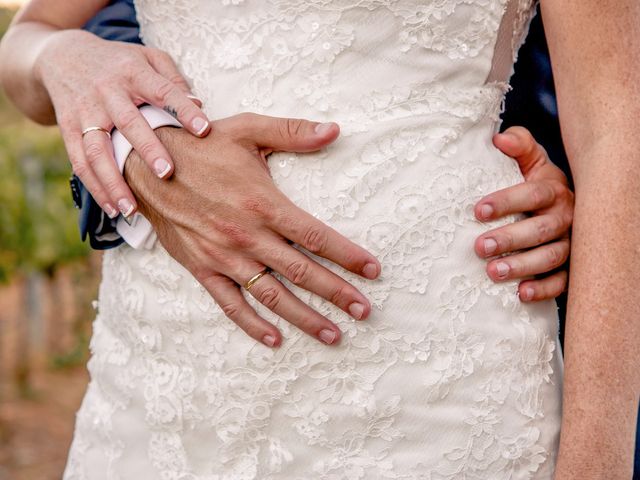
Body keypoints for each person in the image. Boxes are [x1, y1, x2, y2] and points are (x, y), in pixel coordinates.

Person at [0, 1, 637, 478]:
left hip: (431, 371)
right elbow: (29, 38)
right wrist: (68, 61)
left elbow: (617, 128)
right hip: (162, 367)